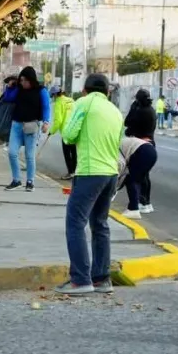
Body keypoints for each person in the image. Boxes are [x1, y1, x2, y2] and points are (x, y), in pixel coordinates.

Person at [55, 73, 124, 295]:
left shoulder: (83, 104)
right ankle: (102, 278)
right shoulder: (115, 110)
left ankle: (80, 279)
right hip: (110, 173)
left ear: (85, 90)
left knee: (75, 223)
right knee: (100, 224)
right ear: (107, 92)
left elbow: (68, 135)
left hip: (89, 171)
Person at [2, 66, 51, 191]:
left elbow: (46, 107)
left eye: (25, 80)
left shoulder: (41, 91)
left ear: (31, 80)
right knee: (12, 152)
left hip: (32, 125)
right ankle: (16, 180)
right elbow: (7, 98)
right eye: (21, 80)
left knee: (29, 155)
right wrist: (11, 86)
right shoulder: (18, 89)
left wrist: (46, 122)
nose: (22, 83)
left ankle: (30, 181)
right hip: (16, 125)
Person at [124, 88, 156, 213]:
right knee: (145, 176)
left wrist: (133, 108)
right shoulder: (151, 110)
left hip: (139, 145)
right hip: (149, 143)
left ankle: (139, 203)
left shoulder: (141, 111)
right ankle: (146, 202)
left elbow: (128, 123)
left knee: (135, 176)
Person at [117, 136, 158, 220]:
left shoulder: (115, 149)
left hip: (141, 151)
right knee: (139, 180)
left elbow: (120, 166)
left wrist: (116, 186)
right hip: (151, 151)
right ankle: (145, 204)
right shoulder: (119, 142)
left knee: (131, 180)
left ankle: (133, 209)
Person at [49, 85, 76, 179]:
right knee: (74, 151)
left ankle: (71, 172)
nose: (53, 97)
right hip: (75, 130)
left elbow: (58, 121)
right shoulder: (71, 100)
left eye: (53, 95)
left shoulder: (58, 103)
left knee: (67, 153)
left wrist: (51, 131)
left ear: (55, 94)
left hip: (66, 132)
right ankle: (75, 172)